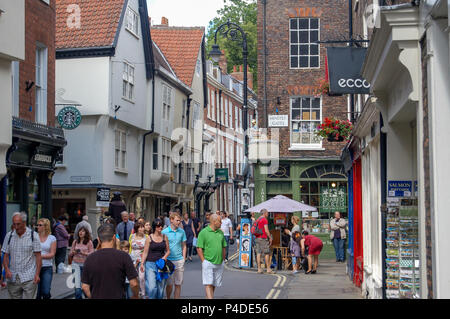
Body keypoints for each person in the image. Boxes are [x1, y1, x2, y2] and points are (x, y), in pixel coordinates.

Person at [81, 224, 139, 299]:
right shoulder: (124, 257)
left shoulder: (90, 259)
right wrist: (135, 295)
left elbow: (85, 287)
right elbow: (134, 284)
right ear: (114, 238)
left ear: (98, 239)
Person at [1, 212, 42, 299]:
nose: (16, 227)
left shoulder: (33, 236)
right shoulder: (9, 236)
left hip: (29, 276)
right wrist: (7, 269)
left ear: (24, 223)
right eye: (14, 224)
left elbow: (38, 257)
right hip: (13, 277)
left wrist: (37, 274)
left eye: (18, 224)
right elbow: (5, 255)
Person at [196, 213, 227, 299]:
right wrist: (203, 261)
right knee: (208, 283)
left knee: (214, 284)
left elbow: (224, 246)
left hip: (219, 262)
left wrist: (223, 259)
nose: (221, 223)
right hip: (208, 261)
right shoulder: (203, 232)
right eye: (220, 221)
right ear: (214, 221)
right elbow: (199, 248)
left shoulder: (220, 232)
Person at [140, 219, 171, 299]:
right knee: (152, 287)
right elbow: (145, 252)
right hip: (150, 264)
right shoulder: (149, 238)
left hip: (161, 264)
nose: (160, 227)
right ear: (154, 227)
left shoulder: (165, 237)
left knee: (160, 289)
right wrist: (142, 263)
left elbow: (168, 251)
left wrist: (164, 257)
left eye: (161, 225)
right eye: (158, 226)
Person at [162, 211, 187, 299]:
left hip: (179, 260)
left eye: (180, 221)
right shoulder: (164, 232)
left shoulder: (182, 232)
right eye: (177, 220)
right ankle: (168, 297)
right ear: (171, 220)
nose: (179, 222)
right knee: (169, 284)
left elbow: (184, 245)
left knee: (178, 284)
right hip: (168, 261)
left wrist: (183, 258)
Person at [69, 226, 94, 299]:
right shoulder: (75, 241)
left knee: (85, 286)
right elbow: (70, 253)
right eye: (80, 231)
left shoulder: (89, 242)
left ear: (86, 233)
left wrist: (83, 253)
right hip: (75, 264)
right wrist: (73, 252)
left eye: (83, 231)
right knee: (77, 288)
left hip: (85, 266)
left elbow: (92, 254)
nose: (81, 232)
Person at [36, 218, 56, 299]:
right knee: (37, 293)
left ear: (46, 226)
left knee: (46, 291)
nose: (38, 227)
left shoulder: (52, 238)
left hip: (47, 267)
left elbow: (52, 254)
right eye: (37, 225)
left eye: (40, 225)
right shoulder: (34, 237)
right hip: (35, 267)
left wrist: (39, 256)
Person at [129, 222, 148, 298]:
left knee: (142, 277)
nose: (141, 229)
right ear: (136, 228)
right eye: (139, 227)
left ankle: (143, 293)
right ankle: (136, 293)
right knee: (134, 278)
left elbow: (147, 250)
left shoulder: (146, 237)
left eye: (142, 227)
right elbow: (130, 247)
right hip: (132, 259)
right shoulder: (132, 236)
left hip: (142, 260)